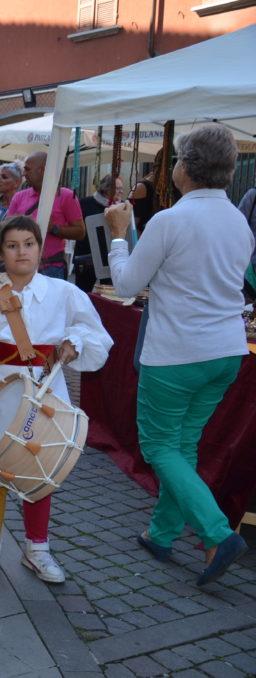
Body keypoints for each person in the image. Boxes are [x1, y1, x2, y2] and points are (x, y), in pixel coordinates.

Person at [104, 124, 252, 586]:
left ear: (184, 168)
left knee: (161, 447)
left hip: (177, 352)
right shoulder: (238, 221)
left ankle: (216, 532)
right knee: (182, 446)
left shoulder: (170, 220)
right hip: (226, 351)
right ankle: (162, 532)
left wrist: (118, 234)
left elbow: (126, 285)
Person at [0, 215, 111, 584]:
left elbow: (95, 334)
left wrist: (75, 341)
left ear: (41, 248)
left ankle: (37, 549)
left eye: (28, 243)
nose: (21, 251)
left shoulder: (65, 293)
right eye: (12, 245)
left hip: (46, 392)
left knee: (40, 467)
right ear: (1, 254)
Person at [6, 151, 85, 280]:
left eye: (27, 169)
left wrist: (54, 229)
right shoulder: (19, 197)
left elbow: (80, 232)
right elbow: (5, 228)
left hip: (52, 267)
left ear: (42, 170)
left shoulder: (66, 196)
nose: (24, 174)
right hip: (21, 266)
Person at [73, 173, 123, 293]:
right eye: (117, 188)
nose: (121, 192)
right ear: (106, 188)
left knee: (110, 295)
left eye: (122, 188)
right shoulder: (84, 203)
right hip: (86, 257)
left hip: (109, 258)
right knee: (82, 293)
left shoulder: (122, 207)